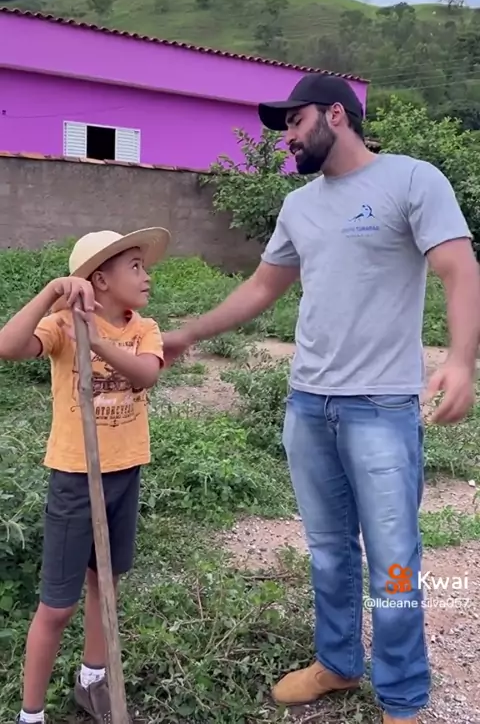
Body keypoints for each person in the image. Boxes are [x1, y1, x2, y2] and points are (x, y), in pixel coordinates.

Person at [161, 73, 480, 723]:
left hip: (382, 407)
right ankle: (337, 663)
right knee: (330, 550)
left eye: (295, 120)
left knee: (393, 561)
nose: (288, 136)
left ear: (336, 114)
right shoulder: (298, 206)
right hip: (309, 405)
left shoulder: (411, 179)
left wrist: (459, 360)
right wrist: (190, 332)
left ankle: (402, 697)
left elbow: (458, 268)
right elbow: (262, 288)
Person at [0, 228, 170, 724]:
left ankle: (92, 679)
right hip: (76, 478)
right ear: (100, 279)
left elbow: (146, 374)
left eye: (143, 265)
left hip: (124, 472)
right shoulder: (62, 325)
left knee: (106, 584)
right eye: (135, 266)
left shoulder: (144, 328)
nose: (147, 275)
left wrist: (97, 341)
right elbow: (8, 346)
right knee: (58, 606)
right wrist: (53, 292)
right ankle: (31, 714)